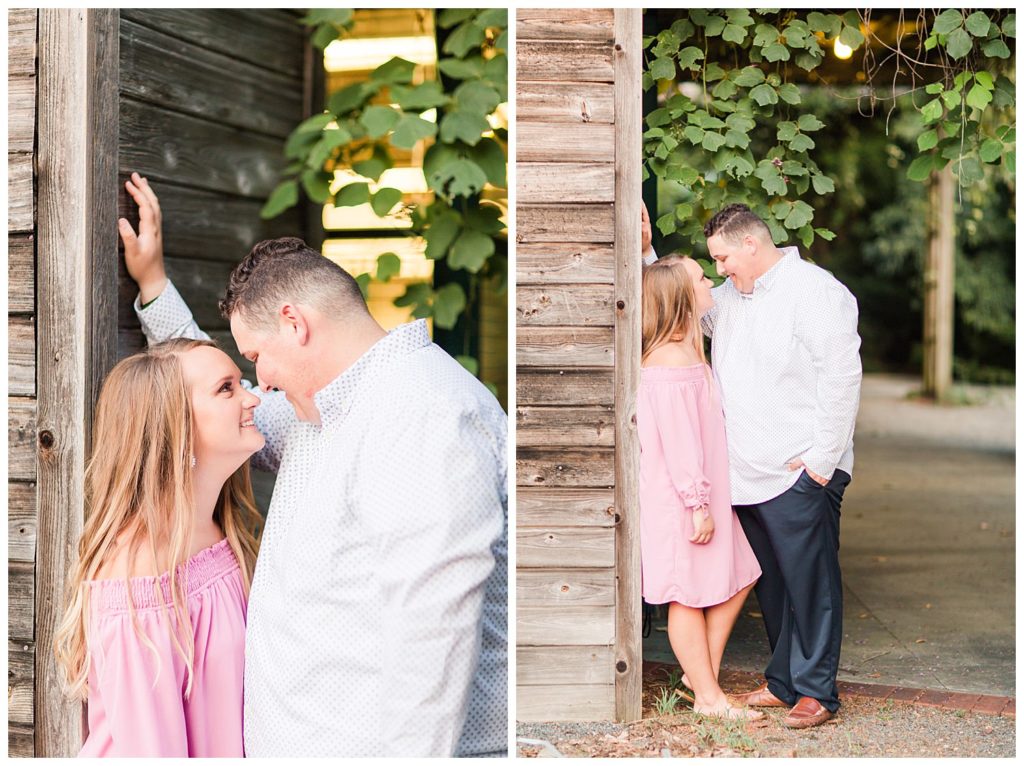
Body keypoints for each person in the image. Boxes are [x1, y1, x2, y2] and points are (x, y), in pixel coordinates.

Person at [117, 173, 508, 757]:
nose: (259, 381)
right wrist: (153, 286)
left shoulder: (423, 413)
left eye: (256, 355)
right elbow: (219, 404)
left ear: (296, 324)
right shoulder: (318, 412)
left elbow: (433, 635)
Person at [643, 202, 862, 728]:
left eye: (721, 258)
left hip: (799, 470)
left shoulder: (816, 293)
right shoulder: (731, 298)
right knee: (775, 586)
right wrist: (646, 250)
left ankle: (816, 692)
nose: (717, 270)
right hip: (743, 476)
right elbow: (676, 300)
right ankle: (785, 681)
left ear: (751, 245)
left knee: (811, 584)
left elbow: (842, 377)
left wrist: (820, 464)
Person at [53, 338, 264, 756]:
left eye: (243, 384)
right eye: (227, 389)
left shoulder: (225, 533)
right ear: (176, 427)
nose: (253, 399)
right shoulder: (138, 575)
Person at [638, 255, 762, 720]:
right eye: (699, 277)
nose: (708, 280)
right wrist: (697, 504)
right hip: (682, 500)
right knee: (685, 595)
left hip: (704, 494)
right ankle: (709, 699)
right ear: (682, 296)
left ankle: (699, 674)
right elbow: (680, 444)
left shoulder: (686, 350)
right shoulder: (669, 362)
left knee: (742, 573)